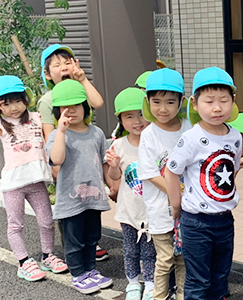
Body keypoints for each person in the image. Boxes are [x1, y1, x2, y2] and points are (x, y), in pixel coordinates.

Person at [0, 75, 68, 281]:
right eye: (6, 103)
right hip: (14, 185)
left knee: (46, 220)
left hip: (37, 182)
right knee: (15, 225)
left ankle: (48, 255)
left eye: (17, 100)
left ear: (25, 99)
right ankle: (23, 262)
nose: (13, 107)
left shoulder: (37, 117)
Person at [165, 66, 241, 300]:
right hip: (196, 222)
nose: (217, 107)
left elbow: (232, 170)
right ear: (195, 104)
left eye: (223, 100)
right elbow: (171, 172)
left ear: (233, 101)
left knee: (220, 277)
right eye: (209, 101)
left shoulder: (235, 136)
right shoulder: (191, 138)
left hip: (225, 220)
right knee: (198, 280)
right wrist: (176, 206)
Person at [38, 43, 109, 261]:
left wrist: (82, 79)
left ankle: (90, 248)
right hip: (65, 155)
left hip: (86, 148)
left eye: (67, 62)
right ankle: (74, 256)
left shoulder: (79, 89)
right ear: (48, 74)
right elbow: (48, 134)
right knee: (70, 211)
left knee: (88, 209)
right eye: (56, 65)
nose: (63, 67)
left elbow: (97, 102)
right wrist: (57, 167)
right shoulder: (48, 100)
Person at [46, 79, 113, 294]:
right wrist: (62, 132)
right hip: (70, 199)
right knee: (74, 240)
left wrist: (112, 186)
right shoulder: (58, 135)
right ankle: (77, 274)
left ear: (86, 106)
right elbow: (56, 160)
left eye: (76, 106)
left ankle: (90, 270)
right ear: (57, 111)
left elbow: (103, 161)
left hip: (93, 198)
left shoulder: (97, 133)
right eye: (64, 108)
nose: (70, 111)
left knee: (92, 236)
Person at [138, 68, 191, 300]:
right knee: (166, 257)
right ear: (147, 102)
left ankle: (182, 295)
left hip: (187, 208)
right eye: (156, 101)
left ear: (182, 101)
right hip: (161, 209)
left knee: (183, 258)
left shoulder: (189, 128)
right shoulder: (149, 134)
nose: (162, 108)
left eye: (170, 102)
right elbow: (150, 172)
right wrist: (175, 192)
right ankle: (159, 296)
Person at [105, 87, 157, 300]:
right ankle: (133, 284)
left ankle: (151, 285)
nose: (137, 120)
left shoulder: (155, 142)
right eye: (129, 116)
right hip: (128, 212)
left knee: (151, 252)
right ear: (120, 120)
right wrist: (114, 165)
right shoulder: (118, 145)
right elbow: (115, 177)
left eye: (141, 114)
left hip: (153, 211)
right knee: (130, 251)